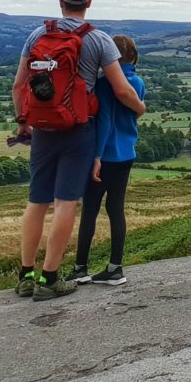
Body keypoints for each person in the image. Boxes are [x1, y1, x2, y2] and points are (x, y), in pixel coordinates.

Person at [11, 0, 146, 301]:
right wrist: (141, 108)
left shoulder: (36, 35)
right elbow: (122, 90)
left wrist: (23, 125)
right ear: (88, 2)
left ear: (60, 3)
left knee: (37, 202)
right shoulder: (98, 39)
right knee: (66, 203)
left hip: (43, 129)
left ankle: (26, 275)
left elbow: (18, 86)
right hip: (79, 130)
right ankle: (50, 279)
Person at [70, 34, 145, 284]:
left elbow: (104, 122)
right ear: (134, 56)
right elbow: (135, 114)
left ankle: (81, 268)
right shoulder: (139, 82)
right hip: (127, 154)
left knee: (90, 210)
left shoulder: (104, 84)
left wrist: (97, 155)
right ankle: (115, 268)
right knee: (116, 209)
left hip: (105, 155)